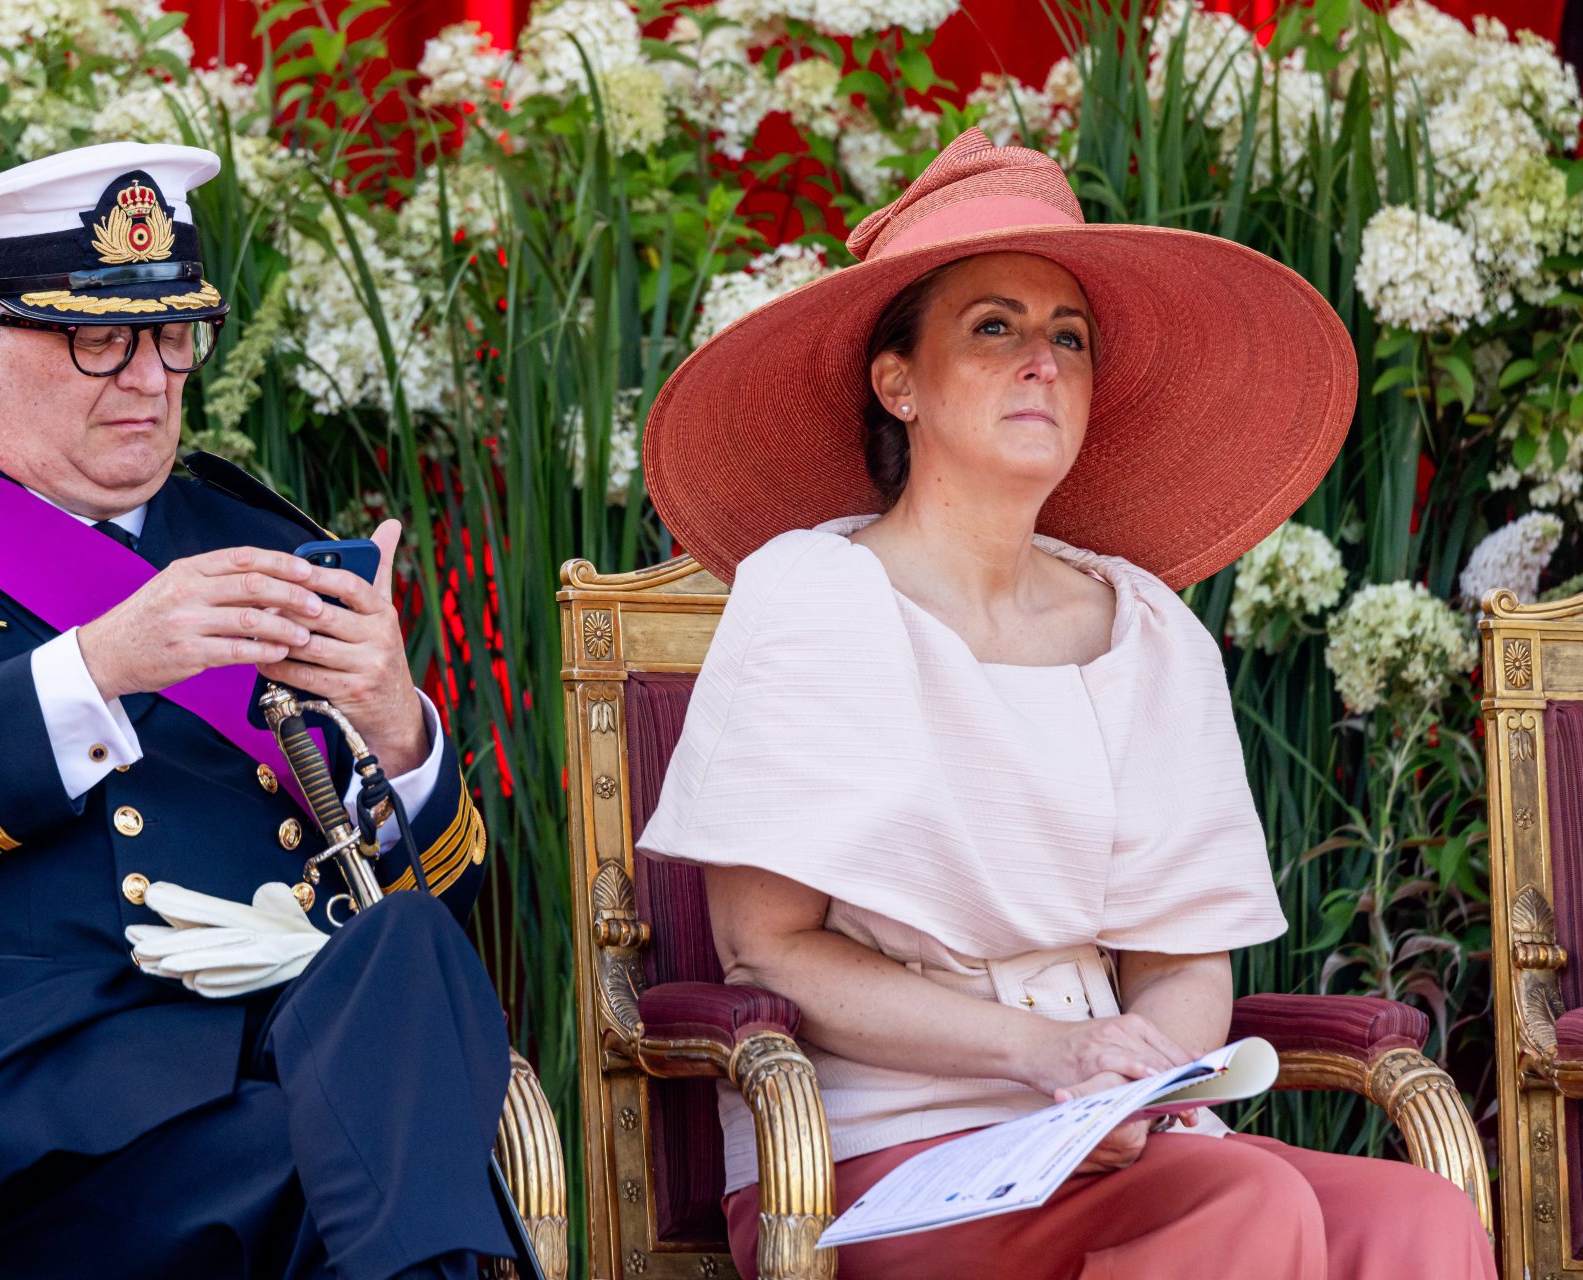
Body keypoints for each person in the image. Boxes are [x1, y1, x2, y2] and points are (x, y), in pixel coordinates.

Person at [634, 127, 1495, 1279]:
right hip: (879, 1154)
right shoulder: (816, 595)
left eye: (1069, 337)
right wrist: (1045, 1051)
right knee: (1241, 1202)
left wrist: (1135, 1085)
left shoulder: (1148, 630)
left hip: (1111, 1131)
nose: (1043, 360)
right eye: (995, 326)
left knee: (1416, 1218)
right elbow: (767, 948)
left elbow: (1182, 963)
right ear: (900, 382)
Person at [0, 143, 516, 1279]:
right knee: (357, 1179)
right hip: (28, 1102)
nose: (150, 379)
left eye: (172, 335)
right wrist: (97, 667)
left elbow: (437, 888)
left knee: (405, 955)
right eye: (99, 339)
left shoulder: (254, 535)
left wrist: (397, 726)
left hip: (288, 1061)